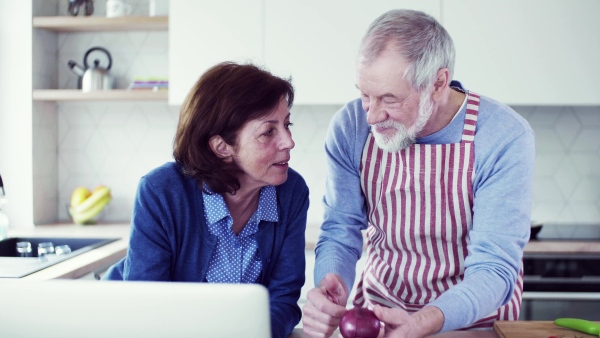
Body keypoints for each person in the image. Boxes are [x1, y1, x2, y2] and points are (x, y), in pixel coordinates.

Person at [302, 9, 535, 338]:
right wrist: (332, 283)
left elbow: (494, 266)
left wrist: (426, 320)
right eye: (365, 95)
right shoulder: (350, 126)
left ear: (438, 84)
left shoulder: (502, 136)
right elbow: (340, 230)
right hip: (378, 313)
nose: (372, 115)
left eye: (390, 99)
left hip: (472, 324)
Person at [103, 61, 309, 338]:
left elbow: (283, 297)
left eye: (287, 125)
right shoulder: (161, 191)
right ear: (222, 147)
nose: (289, 141)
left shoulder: (291, 192)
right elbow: (145, 306)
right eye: (268, 131)